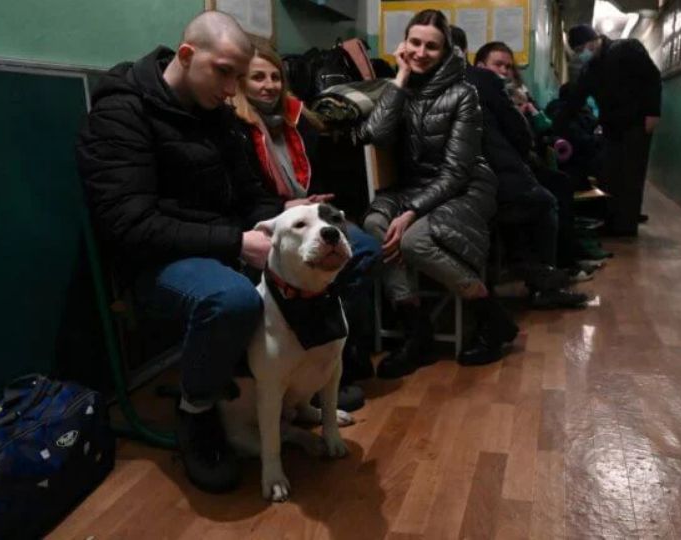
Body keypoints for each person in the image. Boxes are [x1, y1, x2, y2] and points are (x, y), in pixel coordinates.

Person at [76, 11, 283, 493]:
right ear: (187, 56)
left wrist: (283, 217)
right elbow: (129, 224)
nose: (233, 88)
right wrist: (236, 241)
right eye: (225, 71)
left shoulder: (219, 115)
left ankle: (298, 378)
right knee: (231, 300)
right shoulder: (121, 111)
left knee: (344, 244)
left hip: (222, 241)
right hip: (154, 261)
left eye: (238, 74)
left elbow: (251, 193)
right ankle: (197, 410)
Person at [358, 10, 518, 379]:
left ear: (445, 51)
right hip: (415, 187)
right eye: (414, 43)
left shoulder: (464, 92)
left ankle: (491, 316)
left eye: (432, 46)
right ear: (404, 44)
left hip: (466, 187)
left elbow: (456, 171)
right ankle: (417, 332)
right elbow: (374, 135)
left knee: (412, 241)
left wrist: (411, 212)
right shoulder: (399, 85)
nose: (421, 52)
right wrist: (399, 77)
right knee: (374, 224)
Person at [231, 41, 382, 407]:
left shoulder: (299, 122)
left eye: (274, 77)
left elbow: (315, 179)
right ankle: (306, 364)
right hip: (264, 220)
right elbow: (241, 197)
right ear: (240, 83)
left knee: (364, 249)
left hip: (306, 214)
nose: (268, 86)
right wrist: (286, 205)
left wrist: (312, 202)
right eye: (257, 78)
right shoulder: (233, 128)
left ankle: (335, 357)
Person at [450, 27, 589, 308]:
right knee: (543, 198)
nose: (503, 71)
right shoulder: (484, 83)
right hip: (486, 177)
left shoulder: (423, 87)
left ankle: (547, 270)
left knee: (548, 185)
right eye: (497, 65)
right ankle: (543, 277)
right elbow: (520, 138)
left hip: (465, 179)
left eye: (507, 67)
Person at [557, 24, 662, 236]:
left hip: (636, 123)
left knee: (632, 174)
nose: (581, 55)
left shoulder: (627, 49)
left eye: (580, 50)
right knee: (611, 174)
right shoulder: (590, 69)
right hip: (611, 126)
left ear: (591, 42)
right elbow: (576, 99)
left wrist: (653, 112)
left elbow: (652, 78)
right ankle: (613, 221)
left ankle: (626, 226)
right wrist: (557, 124)